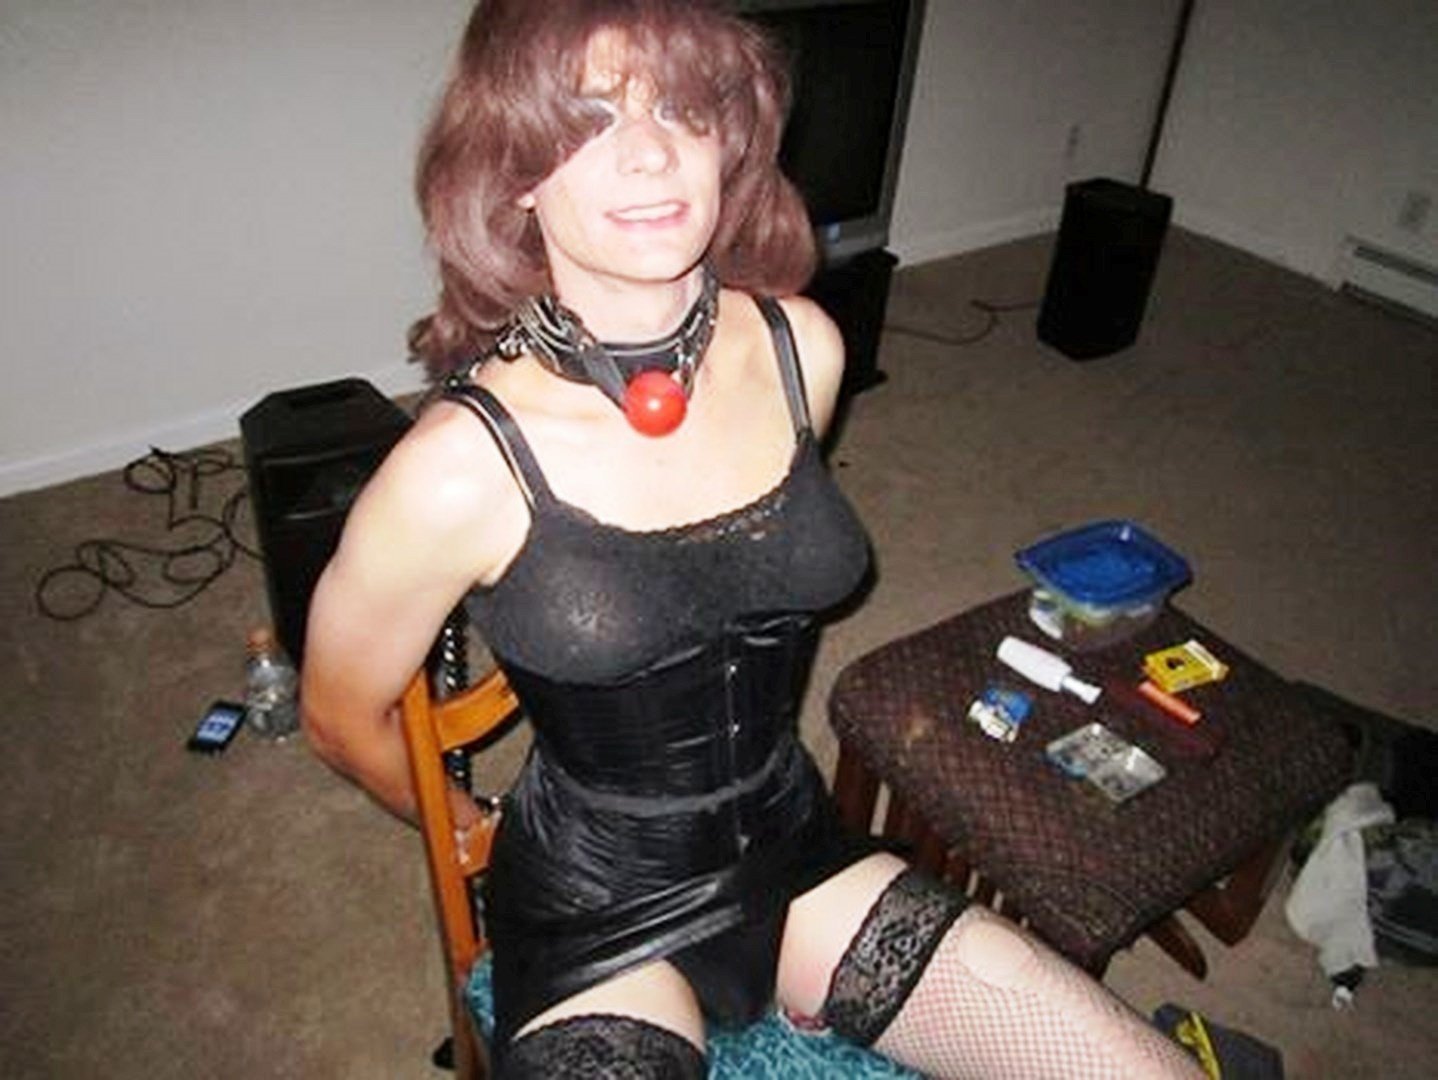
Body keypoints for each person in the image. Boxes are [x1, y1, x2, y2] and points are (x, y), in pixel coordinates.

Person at [301, 2, 1204, 1076]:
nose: (649, 151)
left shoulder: (803, 350)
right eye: (589, 117)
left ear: (728, 140)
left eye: (682, 107)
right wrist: (473, 831)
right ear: (516, 172)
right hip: (597, 914)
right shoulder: (457, 468)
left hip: (798, 852)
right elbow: (339, 716)